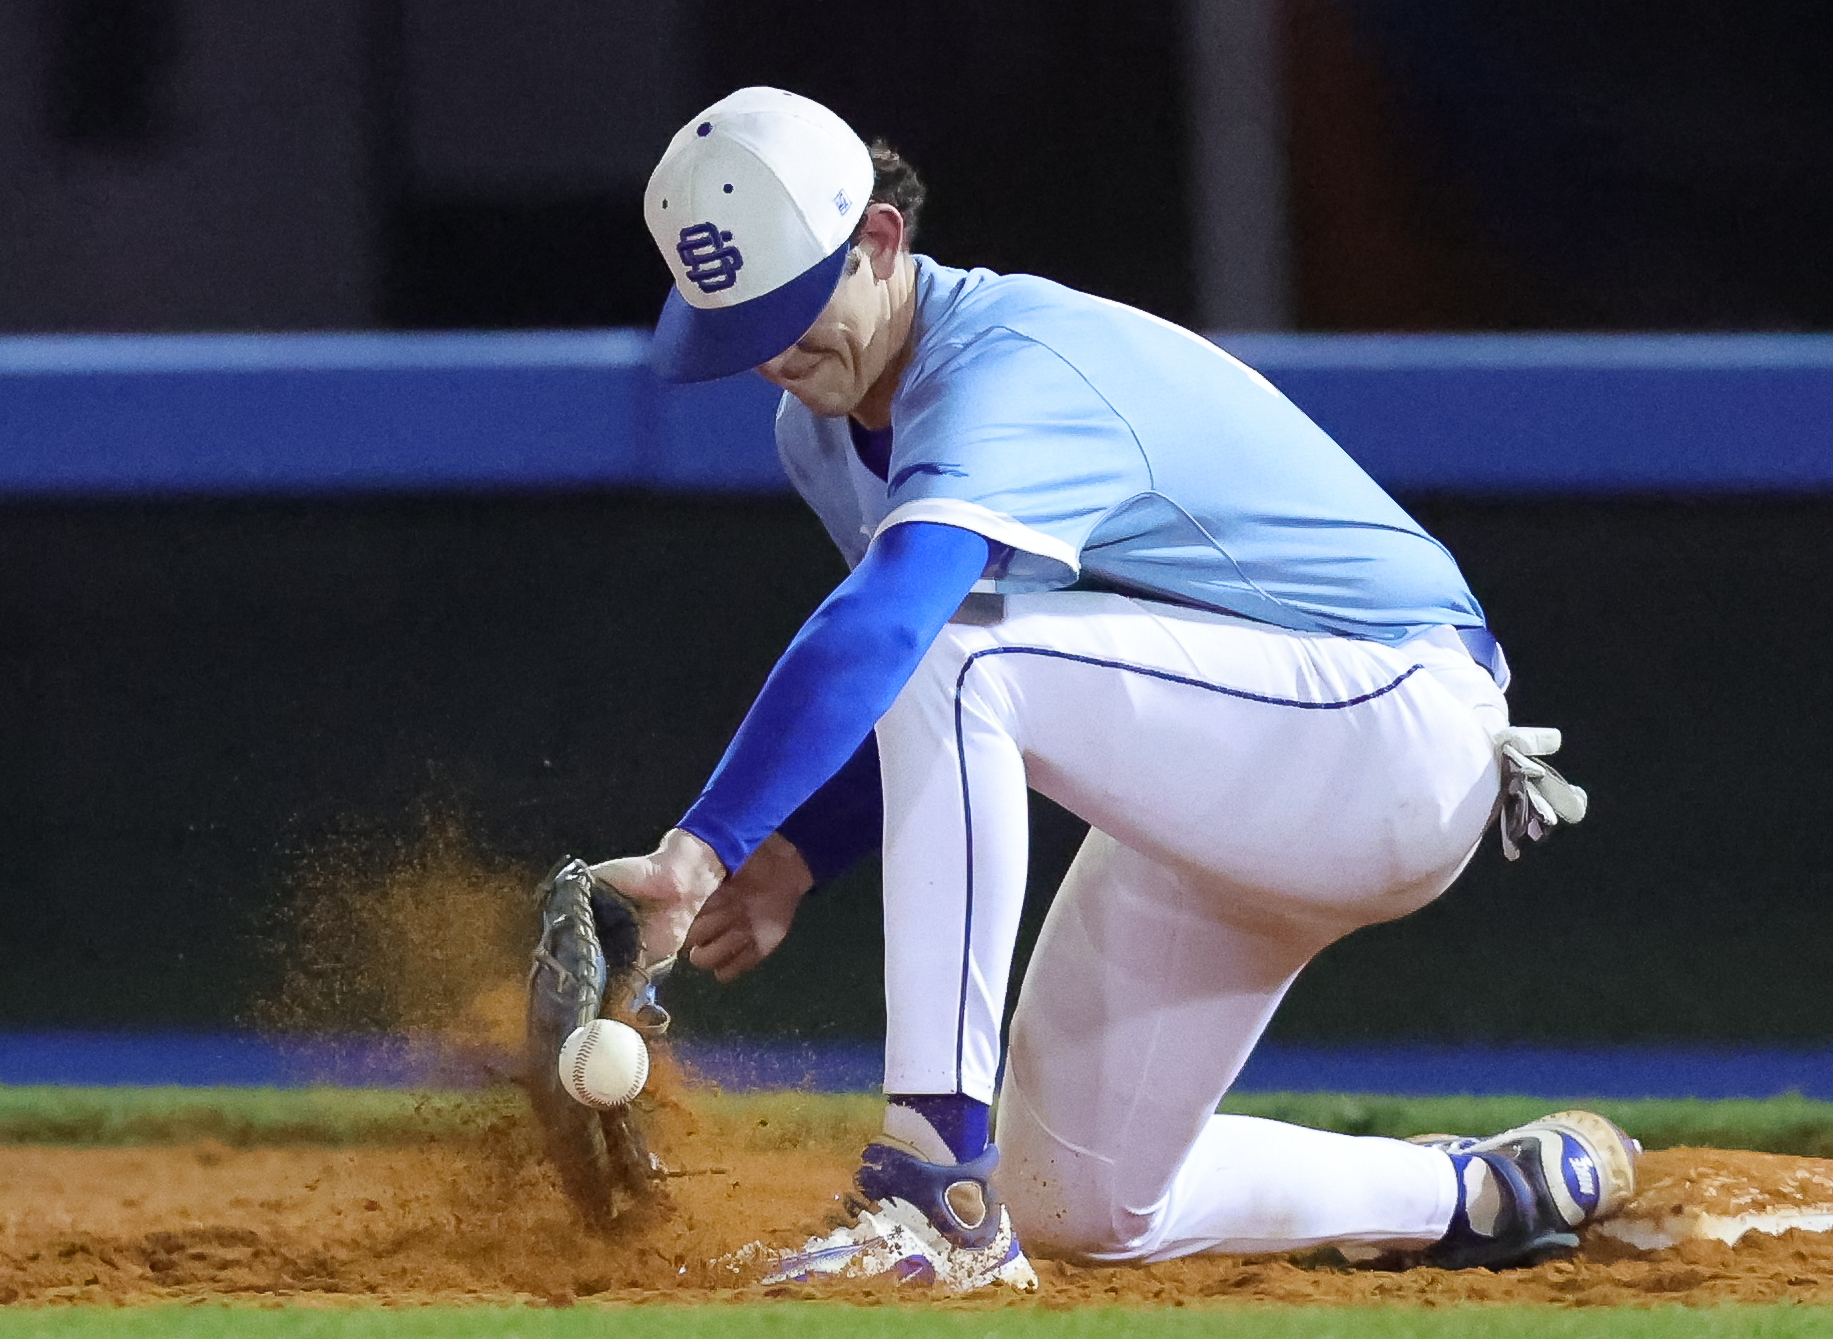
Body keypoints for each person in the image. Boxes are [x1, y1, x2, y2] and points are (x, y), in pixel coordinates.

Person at [591, 87, 1617, 1291]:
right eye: (743, 325)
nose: (772, 351)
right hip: (1232, 773)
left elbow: (908, 631)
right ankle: (1475, 1194)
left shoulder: (1003, 365)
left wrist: (702, 848)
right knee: (1075, 1196)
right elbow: (918, 683)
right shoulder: (815, 428)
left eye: (789, 304)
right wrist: (794, 852)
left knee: (953, 648)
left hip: (1391, 725)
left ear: (878, 239)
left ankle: (931, 1192)